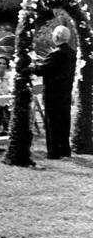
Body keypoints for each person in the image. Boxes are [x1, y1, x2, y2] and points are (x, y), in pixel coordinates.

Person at [35, 24, 76, 159]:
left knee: (52, 122)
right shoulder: (71, 52)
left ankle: (54, 152)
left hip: (53, 92)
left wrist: (31, 66)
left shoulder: (56, 53)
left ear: (57, 37)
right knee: (64, 121)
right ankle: (64, 149)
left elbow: (44, 69)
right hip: (65, 92)